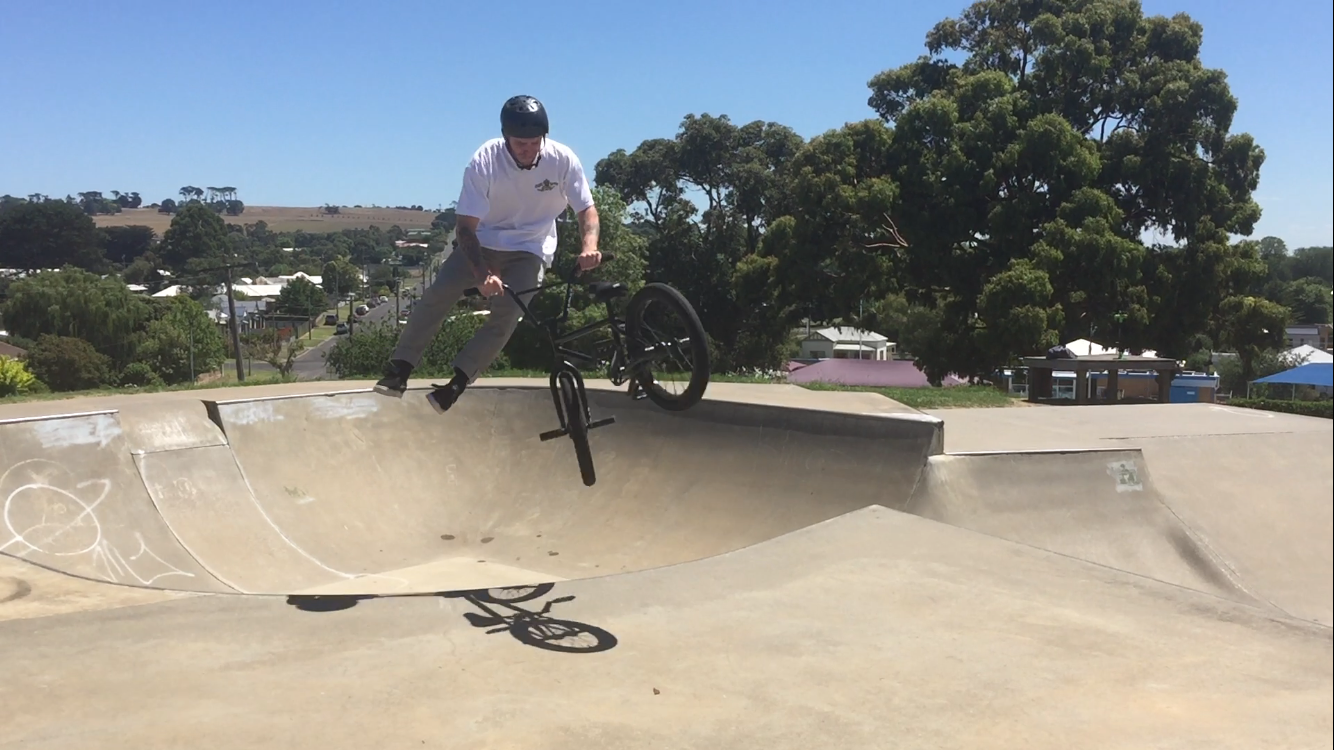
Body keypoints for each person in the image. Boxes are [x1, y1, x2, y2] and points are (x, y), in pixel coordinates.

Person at [373, 95, 602, 413]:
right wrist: (482, 273)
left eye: (534, 142)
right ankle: (400, 369)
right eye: (520, 143)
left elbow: (586, 210)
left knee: (509, 312)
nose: (528, 150)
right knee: (438, 294)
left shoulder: (562, 160)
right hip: (480, 243)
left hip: (529, 248)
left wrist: (589, 247)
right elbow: (465, 228)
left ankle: (458, 382)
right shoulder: (485, 160)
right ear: (506, 138)